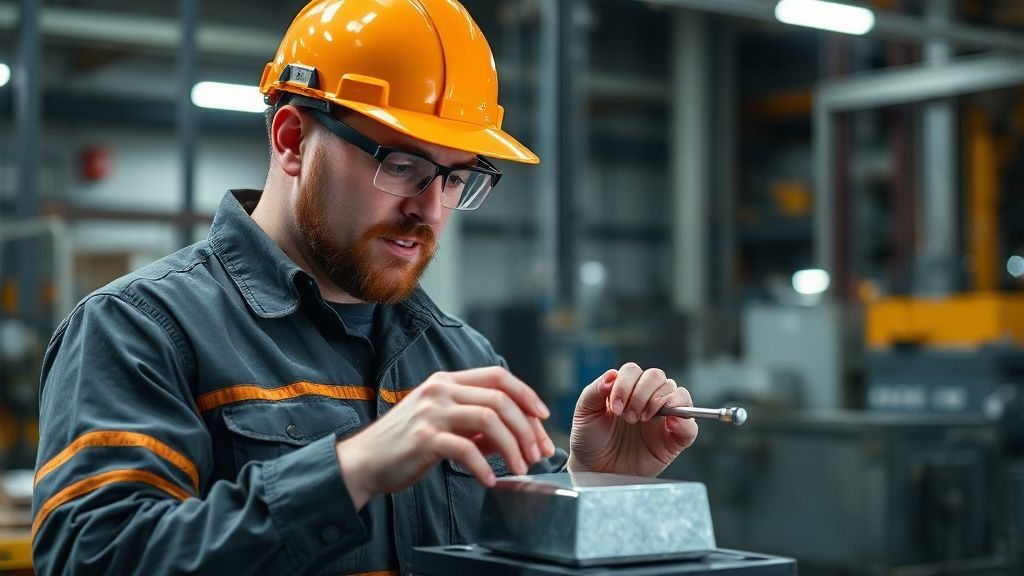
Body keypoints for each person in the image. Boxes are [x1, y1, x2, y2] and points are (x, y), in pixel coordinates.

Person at [31, 0, 699, 573]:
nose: (431, 208)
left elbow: (513, 556)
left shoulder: (463, 359)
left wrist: (595, 483)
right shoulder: (140, 330)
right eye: (402, 163)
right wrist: (347, 470)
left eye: (458, 177)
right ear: (292, 140)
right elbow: (92, 556)